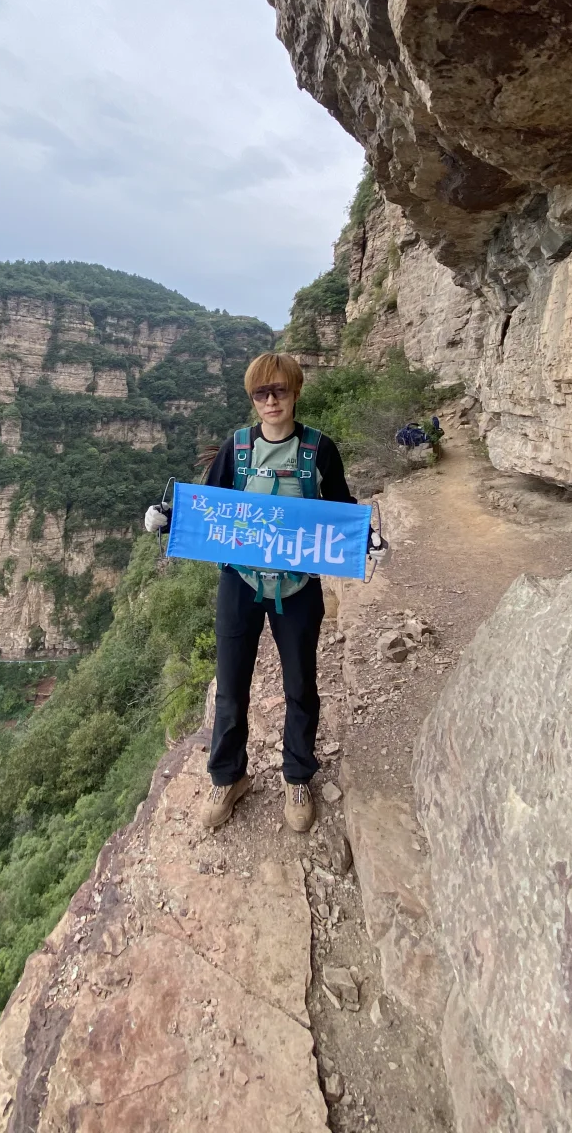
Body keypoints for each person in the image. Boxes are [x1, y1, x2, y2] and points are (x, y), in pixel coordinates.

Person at [144, 351, 387, 834]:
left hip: (297, 588)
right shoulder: (236, 450)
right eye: (261, 393)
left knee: (301, 685)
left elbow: (340, 509)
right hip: (241, 581)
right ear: (252, 398)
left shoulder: (319, 450)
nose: (271, 401)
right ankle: (228, 778)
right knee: (231, 686)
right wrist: (167, 518)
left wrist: (367, 539)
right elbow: (206, 508)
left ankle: (298, 776)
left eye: (279, 391)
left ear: (296, 392)